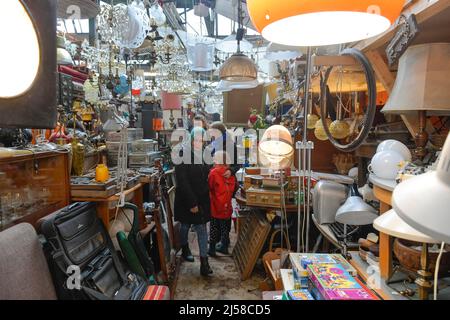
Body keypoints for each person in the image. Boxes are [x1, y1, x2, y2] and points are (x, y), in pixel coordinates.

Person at [174, 127, 213, 276]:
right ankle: (184, 248)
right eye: (196, 140)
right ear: (190, 139)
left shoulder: (204, 153)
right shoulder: (182, 154)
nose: (199, 143)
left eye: (201, 140)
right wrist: (192, 203)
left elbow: (206, 172)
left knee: (202, 228)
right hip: (187, 199)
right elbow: (182, 181)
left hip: (201, 198)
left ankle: (204, 263)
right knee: (184, 226)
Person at [208, 151, 237, 256]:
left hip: (216, 204)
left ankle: (212, 249)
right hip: (227, 205)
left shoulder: (213, 172)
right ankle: (224, 246)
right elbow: (234, 188)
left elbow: (210, 186)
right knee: (225, 227)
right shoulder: (231, 174)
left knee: (214, 227)